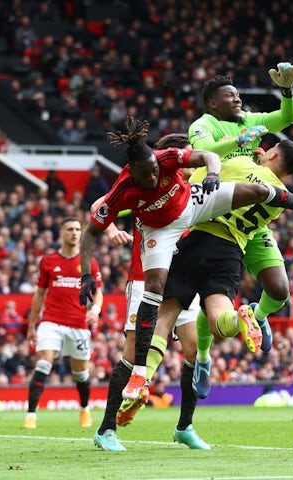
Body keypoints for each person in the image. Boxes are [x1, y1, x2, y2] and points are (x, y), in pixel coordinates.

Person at [79, 116, 293, 404]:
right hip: (225, 247)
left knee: (163, 314)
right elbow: (237, 172)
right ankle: (243, 318)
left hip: (196, 230)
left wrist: (222, 165)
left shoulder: (175, 162)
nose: (153, 176)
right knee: (220, 319)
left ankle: (145, 377)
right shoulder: (130, 186)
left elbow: (208, 156)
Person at [93, 134, 209, 452]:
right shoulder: (142, 188)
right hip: (145, 278)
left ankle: (185, 426)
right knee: (132, 355)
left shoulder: (189, 192)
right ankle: (106, 429)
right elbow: (99, 205)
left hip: (183, 282)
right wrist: (114, 229)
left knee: (193, 352)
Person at [188, 63, 293, 354]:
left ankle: (257, 317)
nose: (238, 99)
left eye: (238, 94)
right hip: (216, 215)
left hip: (250, 220)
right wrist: (237, 142)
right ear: (213, 102)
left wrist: (287, 91)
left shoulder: (248, 119)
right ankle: (203, 357)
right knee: (215, 294)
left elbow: (287, 118)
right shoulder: (203, 125)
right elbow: (205, 153)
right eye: (230, 95)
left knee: (279, 290)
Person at [23, 217, 103, 429]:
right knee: (43, 363)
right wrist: (32, 325)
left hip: (78, 324)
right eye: (70, 229)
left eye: (78, 229)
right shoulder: (48, 261)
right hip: (51, 322)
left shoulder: (89, 262)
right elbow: (39, 295)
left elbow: (99, 292)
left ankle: (84, 409)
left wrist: (95, 309)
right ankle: (31, 415)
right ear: (62, 233)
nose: (75, 233)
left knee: (81, 374)